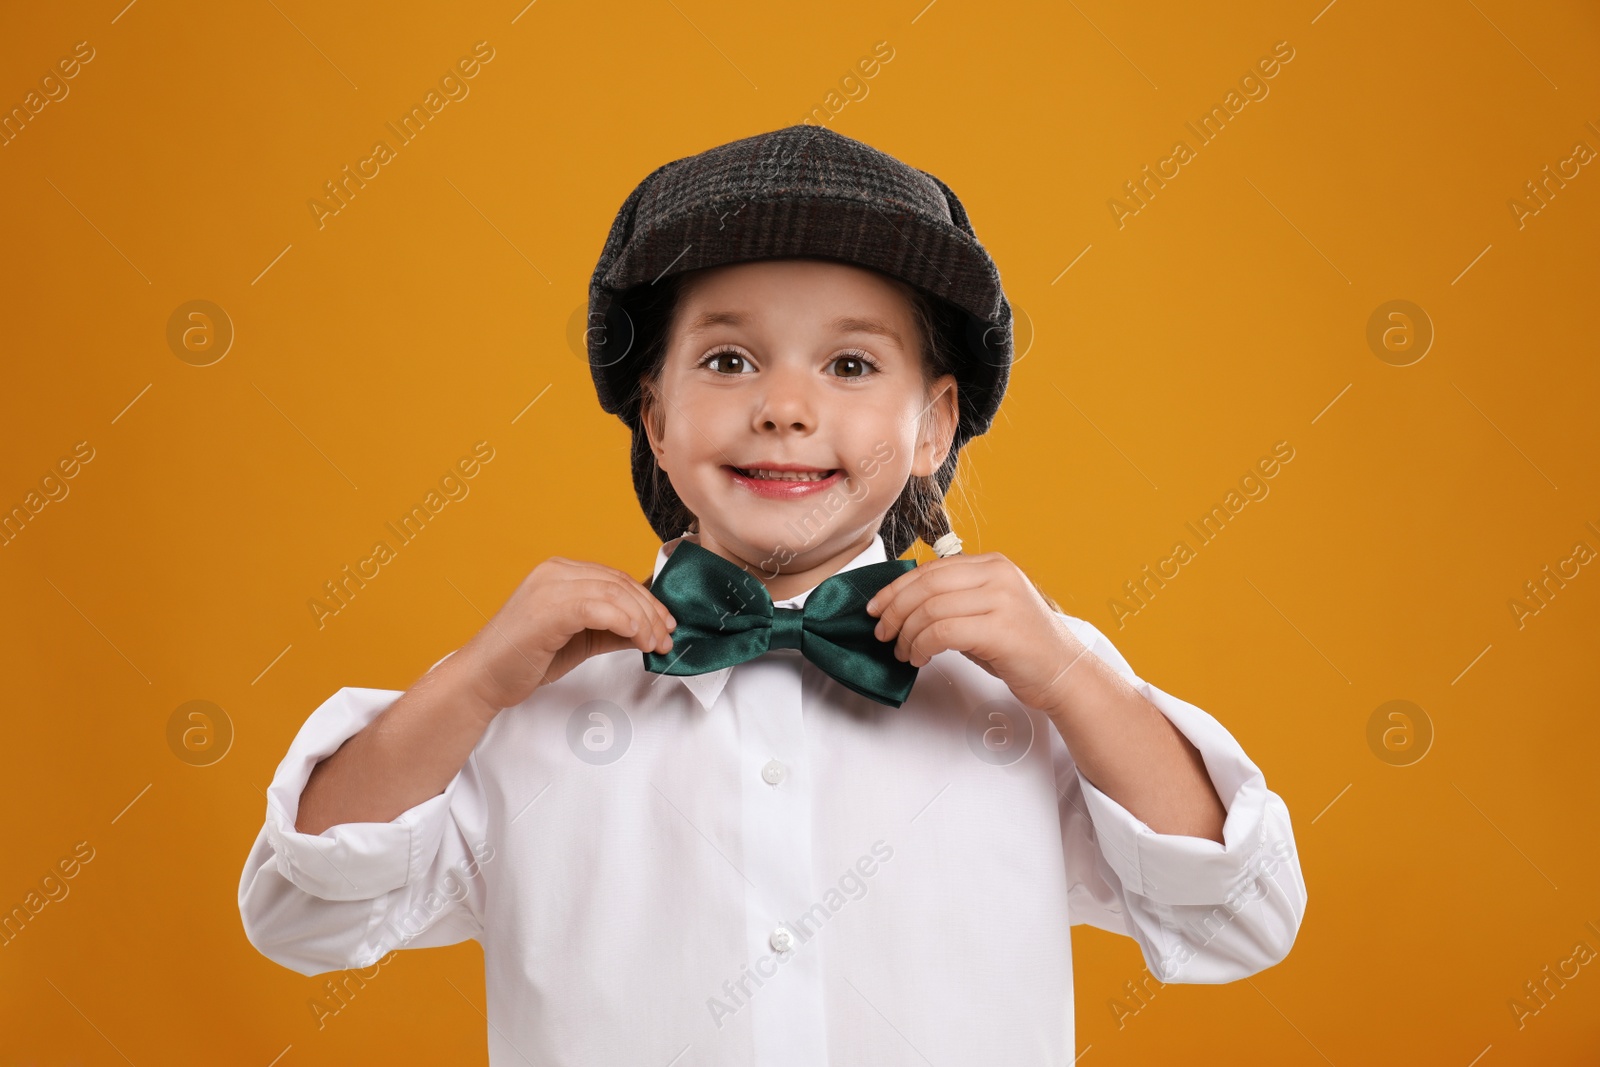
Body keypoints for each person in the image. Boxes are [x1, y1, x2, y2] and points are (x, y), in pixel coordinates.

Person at [238, 124, 1307, 1064]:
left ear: (932, 424)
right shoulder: (529, 694)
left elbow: (1240, 917)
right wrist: (469, 683)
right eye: (730, 358)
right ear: (655, 416)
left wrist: (1074, 680)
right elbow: (299, 910)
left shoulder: (1029, 684)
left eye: (849, 366)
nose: (786, 407)